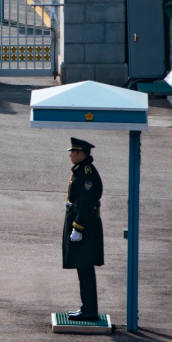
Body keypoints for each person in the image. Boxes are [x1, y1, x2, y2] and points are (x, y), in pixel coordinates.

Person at [63, 137, 104, 322]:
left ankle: (89, 310)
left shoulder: (86, 173)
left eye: (73, 152)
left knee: (85, 268)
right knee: (82, 268)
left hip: (85, 228)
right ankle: (87, 308)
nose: (71, 155)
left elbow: (86, 203)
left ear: (81, 154)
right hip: (82, 225)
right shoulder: (81, 170)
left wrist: (78, 227)